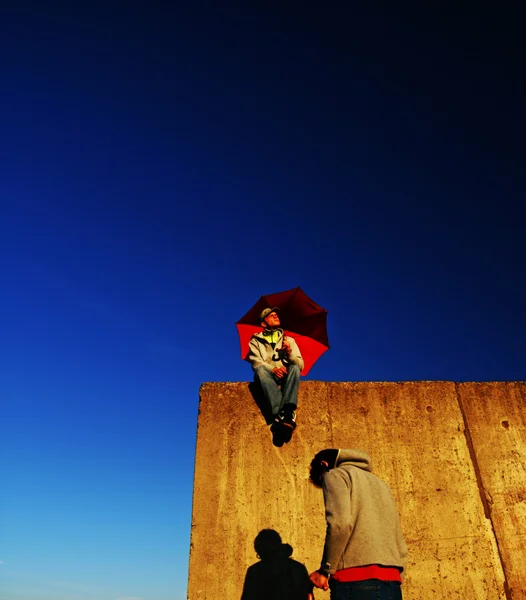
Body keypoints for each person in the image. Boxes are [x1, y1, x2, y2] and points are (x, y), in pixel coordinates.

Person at [308, 448, 408, 600]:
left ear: (324, 464)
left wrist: (324, 570)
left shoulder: (335, 474)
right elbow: (399, 542)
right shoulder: (382, 485)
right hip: (392, 585)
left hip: (354, 583)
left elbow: (340, 524)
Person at [248, 307, 304, 432]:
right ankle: (283, 413)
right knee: (260, 371)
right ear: (263, 323)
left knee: (294, 368)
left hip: (285, 375)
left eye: (276, 315)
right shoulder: (255, 341)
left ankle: (287, 411)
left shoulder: (289, 340)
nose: (276, 316)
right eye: (271, 315)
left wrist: (289, 353)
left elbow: (300, 365)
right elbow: (256, 363)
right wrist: (273, 369)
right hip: (268, 375)